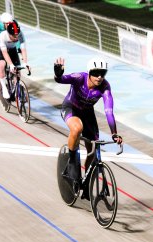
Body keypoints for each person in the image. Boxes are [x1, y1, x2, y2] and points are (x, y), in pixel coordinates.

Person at [53, 57, 123, 198]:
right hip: (71, 108)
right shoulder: (79, 77)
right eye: (96, 73)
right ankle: (73, 161)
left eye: (102, 73)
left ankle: (87, 181)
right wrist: (58, 74)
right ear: (89, 72)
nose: (99, 77)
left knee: (94, 148)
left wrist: (114, 133)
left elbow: (109, 111)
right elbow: (60, 80)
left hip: (87, 113)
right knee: (77, 128)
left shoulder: (105, 87)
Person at [0, 13, 29, 102]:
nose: (16, 38)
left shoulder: (19, 33)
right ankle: (4, 88)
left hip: (12, 49)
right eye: (13, 36)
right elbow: (5, 52)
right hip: (2, 50)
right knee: (2, 65)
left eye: (17, 36)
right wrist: (10, 64)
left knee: (17, 72)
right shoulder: (2, 35)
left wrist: (25, 63)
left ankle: (17, 89)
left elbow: (23, 49)